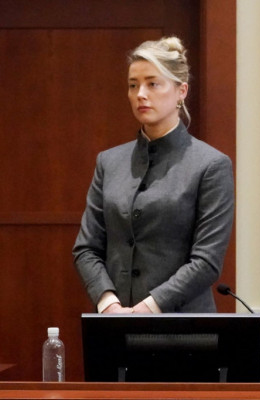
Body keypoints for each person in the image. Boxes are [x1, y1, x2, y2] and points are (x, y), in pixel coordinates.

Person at [73, 37, 234, 314]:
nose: (140, 94)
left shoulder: (211, 165)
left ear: (181, 91)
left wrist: (148, 308)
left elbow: (207, 261)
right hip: (114, 321)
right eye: (133, 85)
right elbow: (86, 248)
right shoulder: (109, 162)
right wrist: (108, 303)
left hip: (182, 325)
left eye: (153, 84)